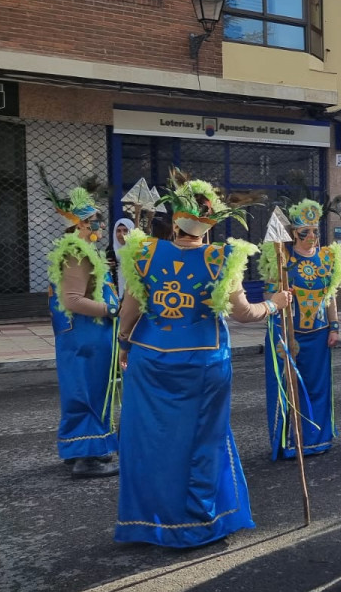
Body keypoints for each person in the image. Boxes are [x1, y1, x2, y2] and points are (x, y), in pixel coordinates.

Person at [115, 171, 291, 548]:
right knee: (200, 441)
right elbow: (242, 313)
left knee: (152, 441)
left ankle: (150, 521)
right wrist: (274, 305)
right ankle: (197, 521)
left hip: (149, 357)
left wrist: (124, 344)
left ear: (174, 219)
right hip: (202, 362)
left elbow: (130, 308)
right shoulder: (222, 257)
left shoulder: (143, 251)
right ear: (210, 222)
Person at [44, 177, 121, 479]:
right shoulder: (77, 253)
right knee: (90, 392)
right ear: (83, 225)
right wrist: (111, 309)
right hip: (87, 335)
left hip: (83, 335)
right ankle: (88, 457)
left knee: (85, 390)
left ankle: (78, 449)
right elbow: (73, 299)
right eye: (96, 222)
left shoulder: (76, 251)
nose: (101, 227)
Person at [260, 197, 341, 459]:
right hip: (289, 335)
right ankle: (290, 441)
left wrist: (334, 327)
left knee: (318, 387)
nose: (311, 236)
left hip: (319, 336)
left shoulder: (329, 258)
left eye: (314, 231)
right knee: (289, 387)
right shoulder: (281, 257)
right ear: (294, 234)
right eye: (304, 232)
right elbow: (271, 297)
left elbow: (331, 295)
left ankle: (317, 439)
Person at [110, 217, 134, 298]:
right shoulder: (110, 250)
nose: (122, 234)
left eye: (125, 230)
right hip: (114, 294)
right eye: (118, 231)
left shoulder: (138, 250)